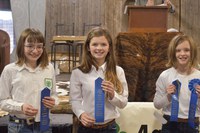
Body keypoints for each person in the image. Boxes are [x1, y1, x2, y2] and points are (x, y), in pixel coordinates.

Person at [70, 27, 128, 133]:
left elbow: (123, 103)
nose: (99, 48)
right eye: (95, 44)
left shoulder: (118, 71)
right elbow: (75, 100)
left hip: (109, 127)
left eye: (103, 44)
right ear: (88, 47)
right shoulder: (77, 72)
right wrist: (81, 114)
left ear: (109, 47)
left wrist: (112, 94)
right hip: (86, 128)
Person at [0, 28, 58, 133]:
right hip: (19, 126)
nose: (35, 51)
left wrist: (54, 102)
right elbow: (2, 101)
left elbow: (54, 95)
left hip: (44, 125)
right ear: (22, 47)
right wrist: (20, 107)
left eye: (39, 46)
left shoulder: (49, 68)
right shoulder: (10, 70)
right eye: (30, 46)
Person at [153, 34, 200, 133]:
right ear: (173, 53)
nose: (182, 54)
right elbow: (157, 105)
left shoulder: (198, 76)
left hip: (192, 124)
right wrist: (168, 96)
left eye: (186, 50)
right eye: (178, 50)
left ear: (193, 52)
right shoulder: (165, 76)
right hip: (169, 124)